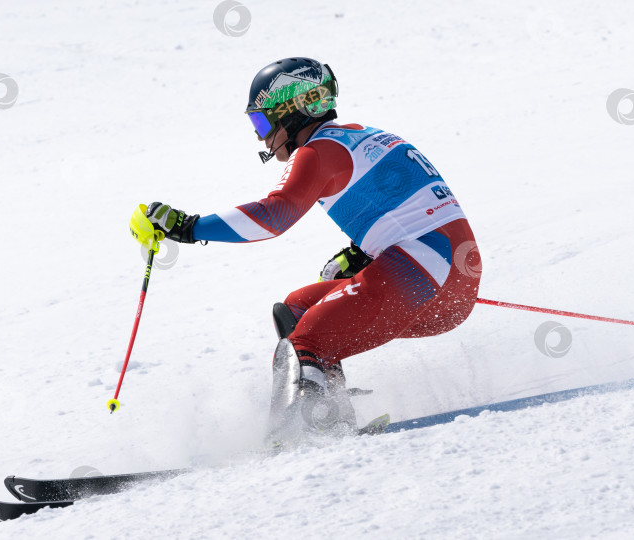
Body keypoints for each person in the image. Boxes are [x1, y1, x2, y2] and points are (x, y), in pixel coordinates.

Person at [129, 57, 482, 444]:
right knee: (296, 309)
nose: (263, 139)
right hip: (449, 281)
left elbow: (274, 216)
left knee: (304, 343)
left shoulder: (318, 151)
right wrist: (363, 253)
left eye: (263, 123)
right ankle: (331, 415)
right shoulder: (365, 135)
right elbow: (408, 205)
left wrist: (188, 226)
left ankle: (302, 434)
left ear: (293, 109)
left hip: (423, 272)